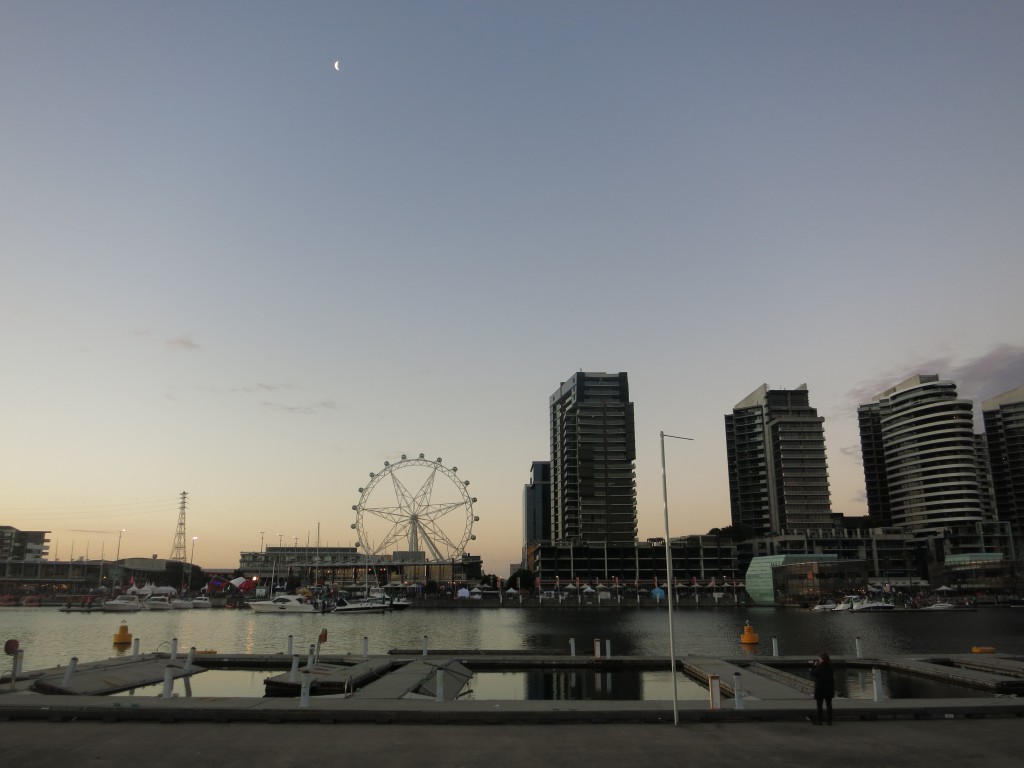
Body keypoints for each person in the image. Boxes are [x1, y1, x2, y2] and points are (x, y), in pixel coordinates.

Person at [809, 652, 835, 725]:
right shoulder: (830, 667)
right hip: (829, 688)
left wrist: (814, 666)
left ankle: (820, 720)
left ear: (822, 660)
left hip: (820, 689)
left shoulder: (819, 667)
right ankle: (829, 720)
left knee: (819, 705)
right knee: (829, 705)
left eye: (819, 658)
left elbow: (812, 673)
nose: (818, 659)